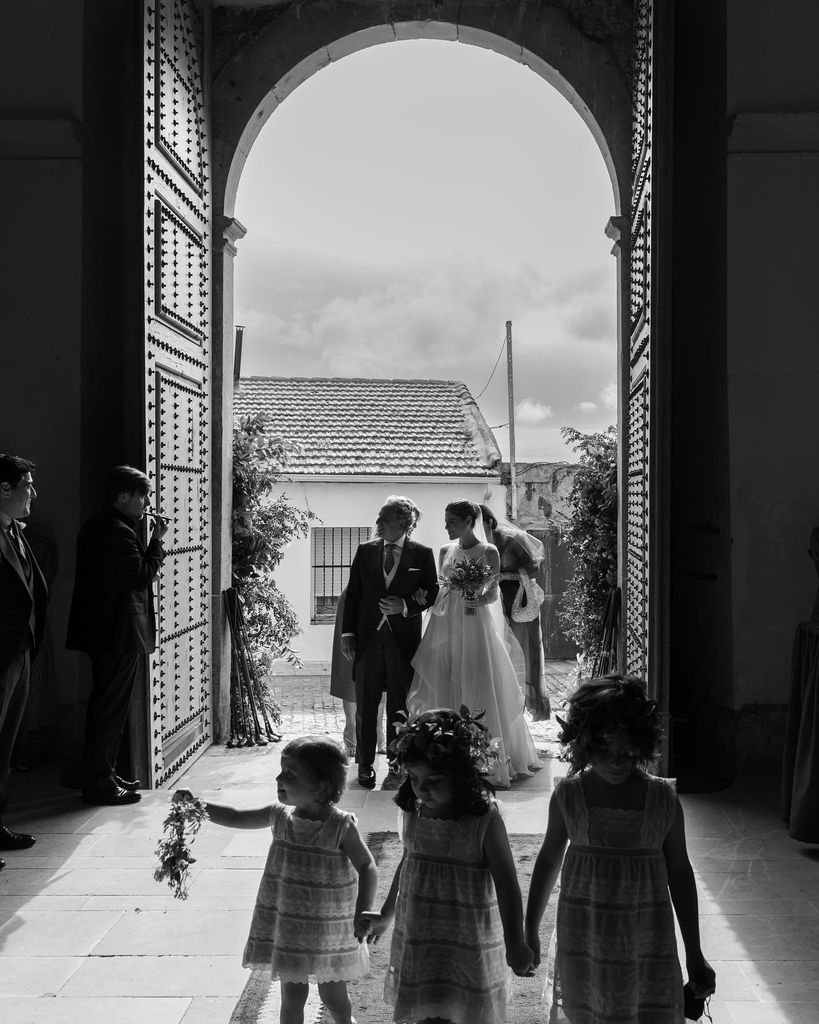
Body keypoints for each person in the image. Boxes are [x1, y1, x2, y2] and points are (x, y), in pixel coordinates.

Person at [525, 675, 716, 1024]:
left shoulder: (662, 800)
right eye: (604, 750)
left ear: (642, 744)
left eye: (626, 751)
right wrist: (529, 928)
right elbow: (549, 859)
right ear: (583, 744)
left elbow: (680, 872)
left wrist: (695, 953)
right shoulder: (568, 796)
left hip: (646, 944)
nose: (616, 761)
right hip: (585, 941)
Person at [177, 735, 377, 1024]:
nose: (278, 778)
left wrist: (363, 909)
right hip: (290, 926)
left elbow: (367, 865)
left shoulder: (340, 826)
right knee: (291, 998)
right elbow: (236, 816)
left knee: (333, 996)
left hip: (329, 929)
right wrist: (196, 804)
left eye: (289, 774)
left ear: (319, 786)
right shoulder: (279, 816)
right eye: (282, 771)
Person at [366, 707, 534, 1024]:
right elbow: (408, 861)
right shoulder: (414, 812)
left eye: (434, 780)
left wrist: (515, 943)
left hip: (465, 942)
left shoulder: (484, 818)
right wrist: (386, 914)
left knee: (464, 1009)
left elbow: (508, 884)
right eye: (414, 779)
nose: (422, 789)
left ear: (460, 775)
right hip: (421, 936)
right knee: (426, 1009)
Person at [407, 499, 541, 788]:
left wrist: (476, 596)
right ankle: (444, 750)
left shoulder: (488, 551)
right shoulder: (445, 551)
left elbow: (493, 593)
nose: (446, 526)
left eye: (451, 521)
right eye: (446, 521)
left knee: (478, 678)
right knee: (446, 674)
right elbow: (440, 587)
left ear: (469, 521)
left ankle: (485, 756)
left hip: (474, 622)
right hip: (446, 623)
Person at [66, 465, 168, 806]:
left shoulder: (106, 526)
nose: (147, 502)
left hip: (107, 633)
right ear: (123, 496)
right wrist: (157, 542)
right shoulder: (116, 531)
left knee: (106, 706)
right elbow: (140, 576)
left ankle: (104, 772)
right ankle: (99, 782)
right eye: (143, 495)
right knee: (109, 708)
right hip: (115, 634)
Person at [341, 496, 439, 790]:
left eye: (385, 518)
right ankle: (365, 764)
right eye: (379, 517)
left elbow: (431, 592)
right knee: (366, 704)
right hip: (368, 639)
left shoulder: (422, 554)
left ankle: (397, 764)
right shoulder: (365, 551)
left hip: (403, 640)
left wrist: (406, 606)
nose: (378, 522)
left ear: (404, 523)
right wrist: (348, 634)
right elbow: (354, 594)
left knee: (399, 704)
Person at [0, 454, 48, 867]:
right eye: (27, 485)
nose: (33, 492)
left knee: (5, 744)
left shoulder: (15, 529)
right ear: (3, 489)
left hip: (20, 651)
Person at [480, 503, 551, 720]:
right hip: (491, 601)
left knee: (520, 649)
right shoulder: (475, 544)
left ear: (489, 521)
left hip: (516, 599)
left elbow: (533, 567)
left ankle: (521, 701)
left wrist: (503, 576)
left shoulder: (510, 540)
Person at [330, 586, 387, 758]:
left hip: (383, 596)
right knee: (350, 666)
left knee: (381, 669)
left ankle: (379, 730)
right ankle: (351, 730)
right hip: (356, 595)